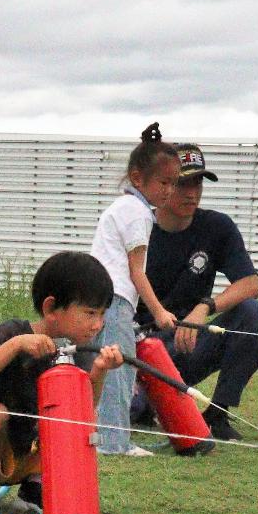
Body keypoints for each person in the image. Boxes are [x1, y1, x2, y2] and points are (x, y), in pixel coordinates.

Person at [0, 252, 125, 514]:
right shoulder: (13, 333)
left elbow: (84, 412)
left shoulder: (80, 352)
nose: (98, 324)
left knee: (72, 422)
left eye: (102, 315)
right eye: (90, 313)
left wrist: (99, 370)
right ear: (51, 309)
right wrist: (16, 345)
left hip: (30, 455)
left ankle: (34, 487)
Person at [132, 144, 258, 442]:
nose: (191, 192)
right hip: (144, 345)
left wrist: (205, 306)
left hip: (191, 341)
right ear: (163, 185)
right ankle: (147, 400)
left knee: (254, 314)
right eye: (182, 183)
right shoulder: (138, 227)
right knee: (133, 409)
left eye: (197, 183)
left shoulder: (217, 227)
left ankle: (218, 413)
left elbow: (250, 284)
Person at [88, 124, 181, 455]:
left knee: (103, 367)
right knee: (118, 370)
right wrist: (159, 312)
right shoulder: (136, 212)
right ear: (138, 178)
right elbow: (136, 272)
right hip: (114, 300)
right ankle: (114, 444)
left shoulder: (127, 208)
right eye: (163, 182)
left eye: (174, 183)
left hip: (102, 298)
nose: (170, 190)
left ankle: (103, 437)